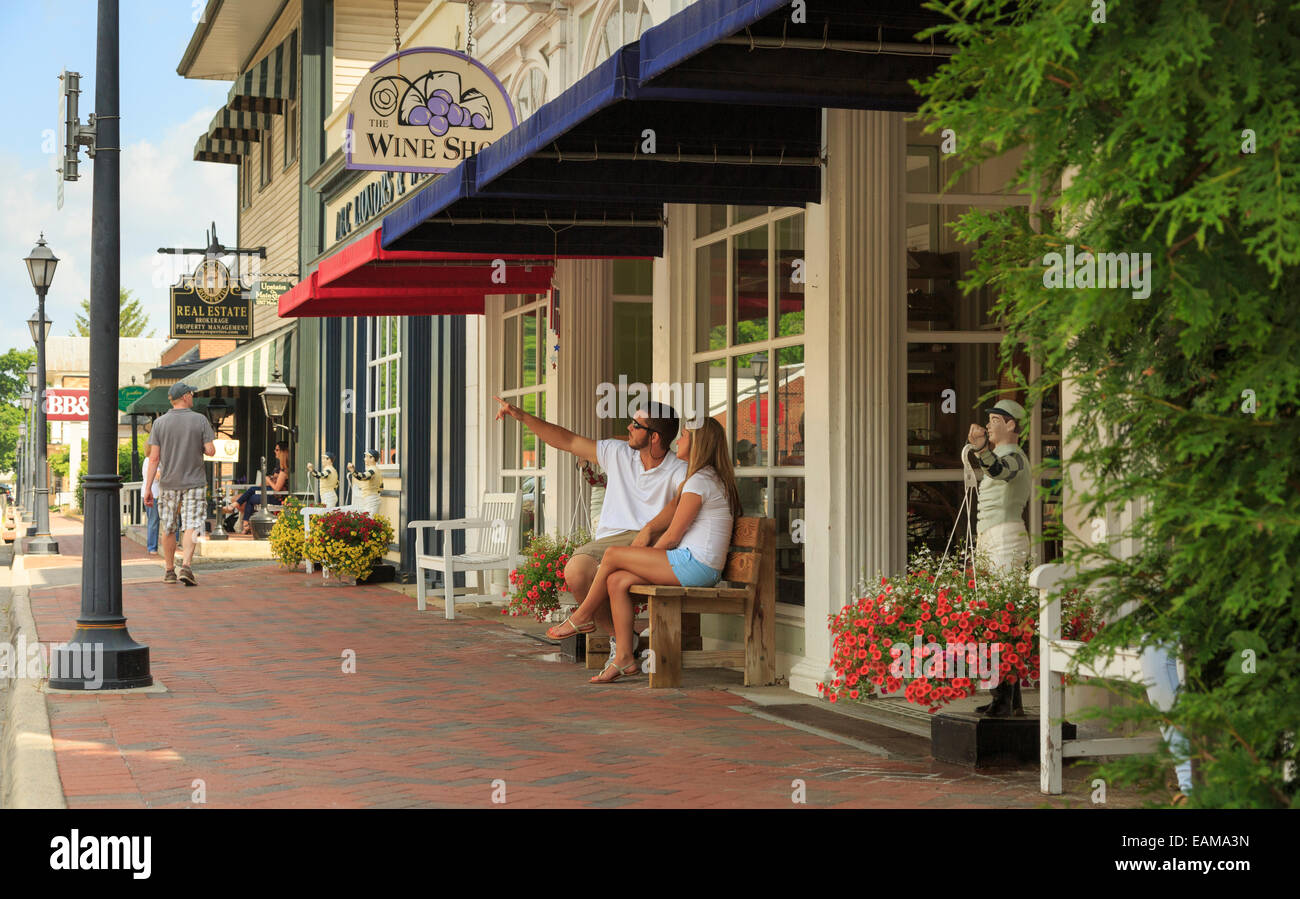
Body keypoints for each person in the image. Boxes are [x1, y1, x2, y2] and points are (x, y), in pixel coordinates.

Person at [495, 396, 688, 663]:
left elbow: (684, 504)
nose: (629, 427)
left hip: (651, 543)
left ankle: (597, 630)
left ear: (654, 437)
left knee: (611, 578)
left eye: (636, 424)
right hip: (610, 541)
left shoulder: (678, 469)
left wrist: (650, 530)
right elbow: (568, 441)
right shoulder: (619, 453)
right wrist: (523, 417)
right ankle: (621, 639)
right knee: (576, 571)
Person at [551, 417, 742, 684]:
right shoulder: (702, 478)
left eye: (684, 435)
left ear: (698, 443)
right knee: (617, 580)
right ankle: (625, 657)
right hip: (693, 563)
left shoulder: (699, 481)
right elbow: (667, 529)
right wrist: (643, 554)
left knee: (613, 555)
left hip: (696, 566)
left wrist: (644, 557)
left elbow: (673, 535)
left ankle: (583, 615)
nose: (679, 440)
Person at [966, 398, 1031, 716]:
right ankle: (1007, 699)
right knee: (997, 617)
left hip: (1006, 539)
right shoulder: (1003, 454)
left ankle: (1004, 698)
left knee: (1002, 617)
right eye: (989, 419)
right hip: (992, 537)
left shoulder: (1014, 456)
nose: (989, 424)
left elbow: (999, 472)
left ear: (1012, 426)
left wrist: (980, 450)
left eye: (996, 419)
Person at [143, 382, 216, 586]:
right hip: (195, 482)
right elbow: (210, 450)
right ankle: (186, 566)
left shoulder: (159, 423)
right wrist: (204, 445)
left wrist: (148, 488)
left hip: (168, 484)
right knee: (191, 525)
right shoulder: (200, 420)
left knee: (168, 527)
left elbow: (154, 458)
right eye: (191, 393)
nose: (193, 396)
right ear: (185, 397)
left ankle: (168, 571)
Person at [225, 440, 290, 533]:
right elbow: (275, 481)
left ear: (283, 452)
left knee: (251, 498)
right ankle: (245, 522)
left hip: (278, 498)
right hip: (271, 493)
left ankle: (243, 520)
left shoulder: (284, 471)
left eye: (277, 450)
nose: (275, 451)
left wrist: (267, 479)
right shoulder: (280, 468)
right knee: (252, 492)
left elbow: (277, 488)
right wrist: (270, 479)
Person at [347, 449, 383, 516]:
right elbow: (381, 487)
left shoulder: (372, 470)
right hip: (371, 497)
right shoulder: (377, 470)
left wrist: (353, 471)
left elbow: (362, 477)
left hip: (371, 499)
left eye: (366, 457)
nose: (364, 459)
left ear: (372, 458)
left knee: (369, 520)